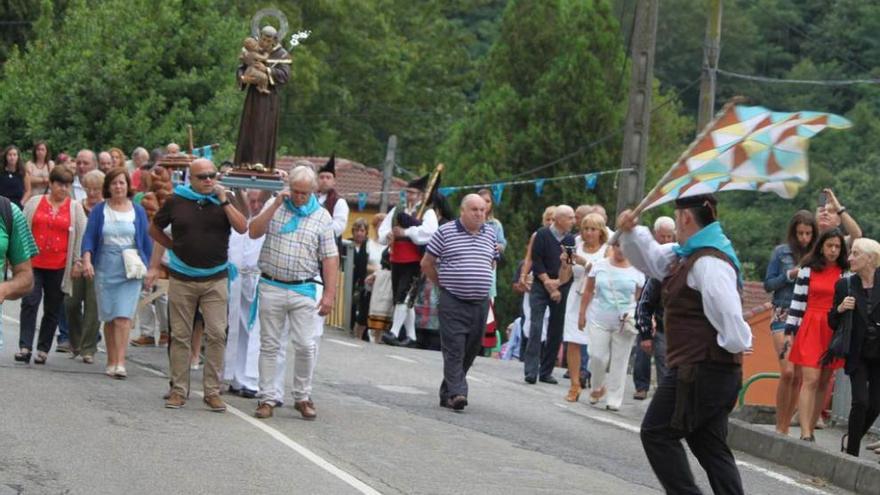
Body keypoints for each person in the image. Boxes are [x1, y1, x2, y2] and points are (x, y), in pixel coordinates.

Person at [617, 194, 752, 495]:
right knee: (709, 444)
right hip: (712, 369)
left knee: (656, 433)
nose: (676, 224)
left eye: (677, 217)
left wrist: (725, 350)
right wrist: (631, 231)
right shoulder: (687, 253)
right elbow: (652, 260)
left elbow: (731, 319)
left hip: (701, 368)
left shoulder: (708, 261)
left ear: (685, 218)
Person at [148, 158, 247, 411]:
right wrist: (174, 248)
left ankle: (212, 391)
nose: (208, 180)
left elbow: (242, 226)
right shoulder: (176, 200)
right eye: (202, 177)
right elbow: (154, 229)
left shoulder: (224, 200)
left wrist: (224, 200)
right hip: (183, 277)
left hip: (216, 278)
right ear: (190, 179)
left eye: (211, 175)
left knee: (216, 333)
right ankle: (179, 390)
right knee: (180, 335)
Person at [249, 166, 338, 420]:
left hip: (303, 287)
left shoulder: (322, 217)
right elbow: (254, 231)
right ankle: (266, 397)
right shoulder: (275, 206)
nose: (298, 197)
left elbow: (330, 258)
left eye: (304, 193)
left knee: (305, 345)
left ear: (312, 191)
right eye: (295, 191)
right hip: (272, 284)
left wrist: (329, 294)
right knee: (269, 345)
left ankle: (302, 395)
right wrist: (276, 203)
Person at [421, 194, 497, 411]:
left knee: (471, 349)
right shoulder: (445, 232)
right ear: (462, 211)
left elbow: (491, 262)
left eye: (483, 210)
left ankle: (448, 390)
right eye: (474, 209)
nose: (479, 213)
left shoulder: (490, 233)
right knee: (454, 348)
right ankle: (457, 393)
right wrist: (442, 284)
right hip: (452, 299)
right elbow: (426, 263)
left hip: (480, 302)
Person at [81, 169, 152, 379]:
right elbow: (89, 239)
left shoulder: (138, 211)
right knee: (110, 317)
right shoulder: (99, 211)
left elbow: (146, 242)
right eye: (114, 184)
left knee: (123, 317)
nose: (118, 187)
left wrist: (150, 269)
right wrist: (86, 260)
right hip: (105, 266)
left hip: (130, 268)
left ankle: (121, 362)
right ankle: (111, 360)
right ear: (108, 187)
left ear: (128, 185)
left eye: (122, 183)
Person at [785, 228, 848, 441]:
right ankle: (804, 432)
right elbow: (797, 302)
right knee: (810, 379)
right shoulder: (808, 269)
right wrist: (790, 330)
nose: (833, 250)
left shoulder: (845, 273)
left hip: (833, 327)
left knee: (824, 381)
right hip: (811, 324)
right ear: (821, 246)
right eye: (829, 245)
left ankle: (811, 427)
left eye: (837, 247)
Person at [19, 166, 86, 365]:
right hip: (33, 262)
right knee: (30, 302)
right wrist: (17, 257)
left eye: (67, 185)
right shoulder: (34, 202)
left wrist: (77, 262)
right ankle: (25, 347)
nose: (63, 189)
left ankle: (42, 349)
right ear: (51, 184)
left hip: (59, 266)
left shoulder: (75, 208)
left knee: (52, 308)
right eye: (59, 184)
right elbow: (22, 230)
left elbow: (80, 238)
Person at [764, 210, 816, 434]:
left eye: (808, 233)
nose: (804, 238)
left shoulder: (818, 256)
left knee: (797, 375)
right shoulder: (781, 252)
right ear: (793, 233)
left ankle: (785, 425)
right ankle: (779, 426)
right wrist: (790, 275)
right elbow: (768, 284)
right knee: (787, 371)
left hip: (806, 315)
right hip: (783, 313)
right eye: (800, 233)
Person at [577, 243, 644, 410]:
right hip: (599, 318)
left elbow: (640, 299)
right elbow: (588, 291)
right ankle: (597, 387)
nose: (621, 250)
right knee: (597, 356)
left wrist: (639, 317)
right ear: (613, 246)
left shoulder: (637, 270)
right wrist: (582, 313)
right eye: (618, 246)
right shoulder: (599, 266)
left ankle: (614, 397)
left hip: (624, 322)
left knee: (620, 360)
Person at [830, 238, 880, 456]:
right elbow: (831, 322)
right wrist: (840, 309)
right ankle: (851, 454)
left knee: (875, 404)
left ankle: (853, 436)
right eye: (851, 253)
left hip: (878, 353)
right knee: (860, 401)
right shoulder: (845, 285)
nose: (849, 258)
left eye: (855, 253)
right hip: (857, 352)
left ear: (870, 259)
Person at [377, 174, 439, 347]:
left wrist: (406, 232)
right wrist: (387, 235)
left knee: (403, 296)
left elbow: (430, 233)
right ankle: (412, 337)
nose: (409, 196)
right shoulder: (398, 210)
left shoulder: (428, 212)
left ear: (420, 195)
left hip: (416, 261)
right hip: (396, 259)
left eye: (413, 193)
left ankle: (394, 332)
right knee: (405, 298)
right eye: (408, 192)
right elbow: (383, 229)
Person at [224, 189, 270, 398]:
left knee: (257, 331)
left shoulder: (266, 220)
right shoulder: (240, 221)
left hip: (260, 280)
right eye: (252, 201)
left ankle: (252, 379)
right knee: (237, 328)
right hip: (238, 279)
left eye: (259, 201)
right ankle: (235, 376)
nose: (255, 205)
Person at [523, 205, 576, 384]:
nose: (573, 221)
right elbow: (536, 262)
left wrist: (558, 285)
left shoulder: (569, 239)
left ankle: (546, 371)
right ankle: (531, 370)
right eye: (570, 218)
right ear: (559, 219)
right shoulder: (542, 234)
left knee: (556, 328)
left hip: (561, 284)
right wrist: (548, 283)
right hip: (540, 284)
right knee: (536, 326)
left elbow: (568, 266)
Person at [562, 213, 609, 401]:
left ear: (601, 232)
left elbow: (604, 274)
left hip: (597, 299)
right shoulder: (576, 246)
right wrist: (564, 263)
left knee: (596, 346)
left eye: (593, 229)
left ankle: (597, 382)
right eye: (586, 229)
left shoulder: (607, 250)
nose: (589, 233)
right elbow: (564, 278)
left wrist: (586, 262)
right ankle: (574, 384)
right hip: (576, 295)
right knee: (573, 341)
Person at [234, 26, 291, 170]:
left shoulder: (281, 54)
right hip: (253, 96)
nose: (265, 42)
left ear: (274, 40)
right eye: (263, 39)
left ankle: (261, 162)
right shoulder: (254, 48)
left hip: (269, 99)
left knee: (263, 127)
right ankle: (245, 161)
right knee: (250, 125)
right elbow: (242, 67)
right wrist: (243, 76)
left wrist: (267, 69)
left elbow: (284, 76)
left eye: (268, 40)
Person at [632, 216, 676, 400]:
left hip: (668, 320)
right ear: (655, 234)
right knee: (644, 346)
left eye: (669, 237)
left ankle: (664, 397)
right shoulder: (645, 253)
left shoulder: (674, 255)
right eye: (662, 236)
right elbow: (644, 297)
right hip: (643, 307)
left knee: (666, 364)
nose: (665, 241)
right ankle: (641, 386)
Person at [65, 169, 104, 361]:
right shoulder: (77, 207)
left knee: (93, 306)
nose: (93, 193)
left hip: (99, 263)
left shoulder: (106, 209)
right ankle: (76, 340)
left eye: (97, 189)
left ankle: (88, 349)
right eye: (90, 188)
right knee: (71, 303)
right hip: (77, 261)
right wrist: (74, 260)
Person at [350, 218, 378, 341]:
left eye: (362, 230)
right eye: (357, 230)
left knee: (364, 307)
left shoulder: (368, 245)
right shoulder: (348, 244)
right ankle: (350, 326)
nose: (359, 233)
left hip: (364, 280)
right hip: (349, 280)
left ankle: (364, 332)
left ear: (366, 232)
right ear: (353, 231)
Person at [316, 154, 350, 240]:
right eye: (322, 177)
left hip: (329, 242)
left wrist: (317, 231)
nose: (324, 180)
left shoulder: (339, 202)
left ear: (334, 181)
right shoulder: (311, 197)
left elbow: (339, 226)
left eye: (328, 177)